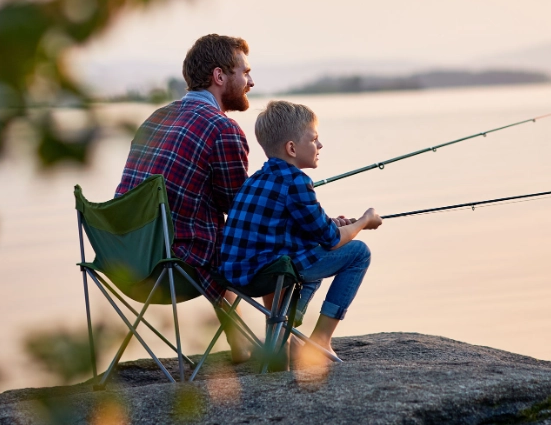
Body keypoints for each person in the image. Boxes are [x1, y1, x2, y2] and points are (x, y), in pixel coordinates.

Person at [115, 34, 254, 359]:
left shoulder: (156, 118)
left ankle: (241, 344)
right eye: (245, 72)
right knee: (250, 237)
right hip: (171, 271)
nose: (251, 81)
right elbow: (240, 211)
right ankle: (269, 346)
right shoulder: (222, 129)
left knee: (213, 236)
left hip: (124, 261)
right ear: (220, 76)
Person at [218, 100, 382, 364]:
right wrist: (363, 221)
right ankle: (320, 339)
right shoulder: (296, 181)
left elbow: (290, 223)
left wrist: (332, 222)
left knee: (309, 248)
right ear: (292, 148)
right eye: (314, 139)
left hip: (236, 277)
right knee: (358, 253)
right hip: (271, 275)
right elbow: (331, 238)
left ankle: (286, 334)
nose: (320, 146)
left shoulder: (255, 180)